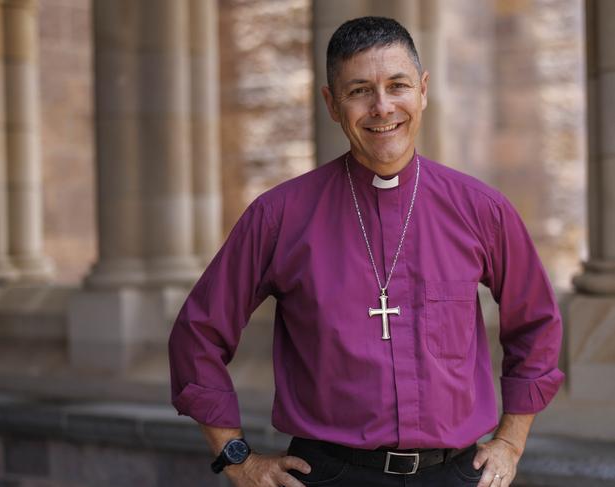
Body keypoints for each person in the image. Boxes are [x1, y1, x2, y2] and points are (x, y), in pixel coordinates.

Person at [168, 16, 564, 487]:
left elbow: (536, 322)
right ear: (332, 104)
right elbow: (196, 336)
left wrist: (511, 441)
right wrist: (236, 457)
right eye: (359, 91)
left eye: (397, 85)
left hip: (455, 474)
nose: (382, 107)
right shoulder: (279, 216)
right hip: (329, 475)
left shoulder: (481, 210)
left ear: (422, 91)